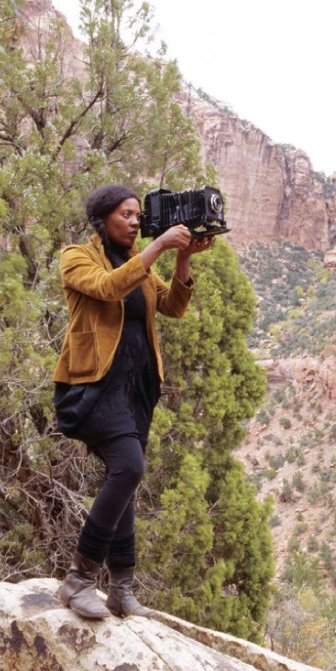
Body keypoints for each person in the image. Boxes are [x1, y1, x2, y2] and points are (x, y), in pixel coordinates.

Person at [52, 183, 214, 619]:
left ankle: (121, 588)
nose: (136, 221)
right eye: (126, 214)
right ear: (102, 219)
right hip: (93, 386)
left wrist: (182, 258)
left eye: (139, 216)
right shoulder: (77, 257)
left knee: (125, 477)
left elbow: (172, 306)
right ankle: (79, 580)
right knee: (129, 467)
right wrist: (159, 246)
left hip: (136, 389)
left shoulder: (136, 265)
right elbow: (106, 288)